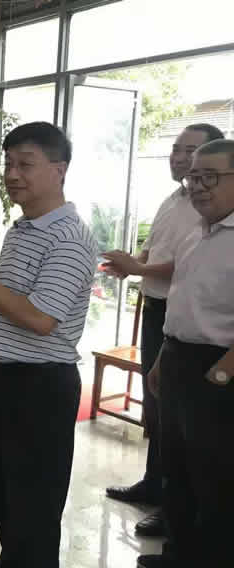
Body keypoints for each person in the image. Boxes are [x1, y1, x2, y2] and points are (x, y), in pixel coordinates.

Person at [0, 122, 97, 568]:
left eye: (26, 165)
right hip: (5, 382)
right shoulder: (22, 229)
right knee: (6, 490)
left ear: (59, 170)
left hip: (41, 388)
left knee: (35, 501)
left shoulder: (70, 238)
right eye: (9, 164)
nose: (12, 174)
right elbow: (1, 300)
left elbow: (40, 318)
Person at [102, 124, 225, 538]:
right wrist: (133, 265)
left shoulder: (208, 214)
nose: (180, 159)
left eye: (191, 153)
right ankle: (158, 488)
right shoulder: (176, 203)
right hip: (164, 321)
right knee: (160, 413)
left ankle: (178, 514)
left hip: (199, 336)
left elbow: (179, 268)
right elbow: (155, 252)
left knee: (191, 433)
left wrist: (139, 268)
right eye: (176, 150)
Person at [136, 139, 234, 568]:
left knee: (215, 478)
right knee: (177, 466)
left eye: (210, 176)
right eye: (194, 176)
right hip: (177, 356)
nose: (197, 186)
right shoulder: (198, 232)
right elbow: (182, 305)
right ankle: (181, 551)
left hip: (218, 366)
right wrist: (161, 360)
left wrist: (222, 374)